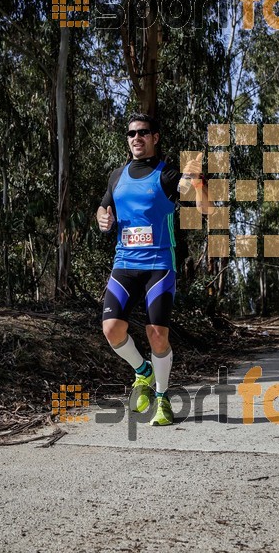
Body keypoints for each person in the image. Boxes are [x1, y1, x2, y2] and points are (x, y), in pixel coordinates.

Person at [96, 113, 214, 426]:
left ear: (155, 137)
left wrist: (199, 182)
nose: (137, 138)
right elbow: (105, 205)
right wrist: (102, 217)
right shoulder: (117, 175)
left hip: (159, 265)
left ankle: (162, 399)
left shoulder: (167, 175)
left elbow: (206, 209)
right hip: (124, 263)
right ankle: (142, 371)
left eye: (144, 132)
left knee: (157, 334)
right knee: (111, 329)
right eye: (132, 133)